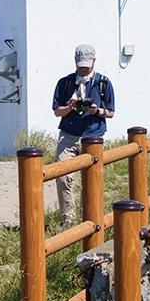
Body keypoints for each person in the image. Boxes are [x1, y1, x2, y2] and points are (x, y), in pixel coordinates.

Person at [52, 43, 116, 228]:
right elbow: (57, 111)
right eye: (81, 65)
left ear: (94, 62)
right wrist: (70, 107)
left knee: (91, 178)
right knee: (62, 175)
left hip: (93, 136)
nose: (83, 69)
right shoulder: (64, 83)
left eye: (87, 66)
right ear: (75, 61)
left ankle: (88, 217)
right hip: (68, 134)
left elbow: (111, 112)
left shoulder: (103, 83)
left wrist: (96, 110)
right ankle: (68, 219)